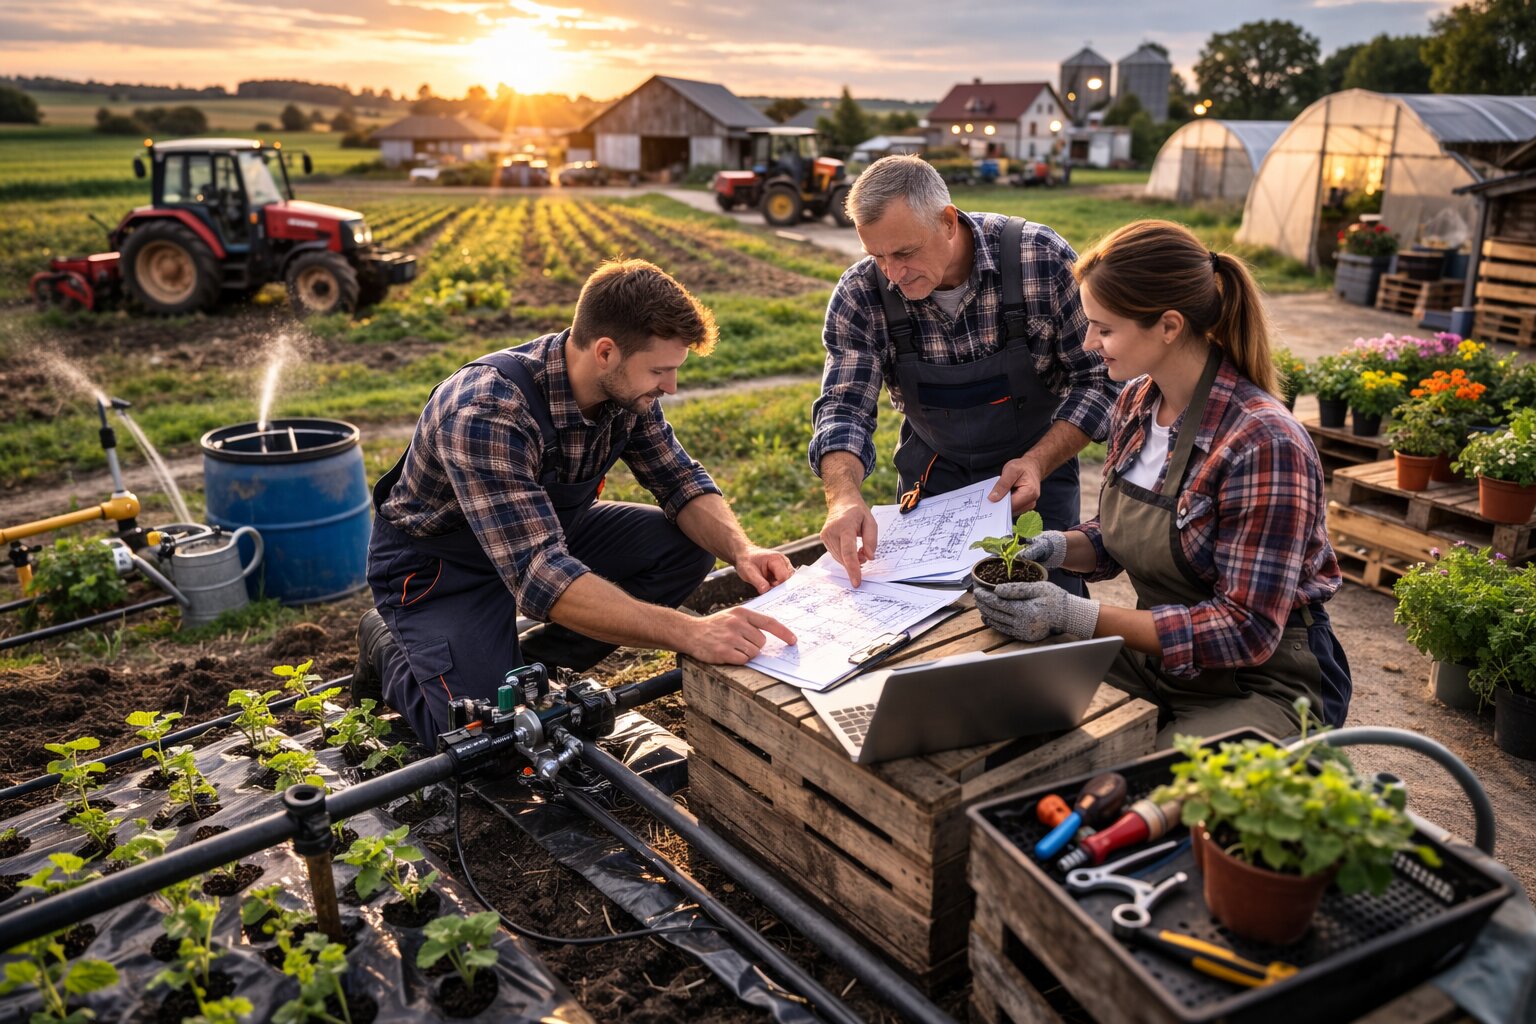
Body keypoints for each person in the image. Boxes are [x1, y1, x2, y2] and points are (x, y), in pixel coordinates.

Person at [354, 259, 796, 745]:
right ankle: (389, 647)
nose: (670, 386)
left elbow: (679, 481)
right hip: (443, 571)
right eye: (660, 370)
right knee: (484, 736)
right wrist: (691, 632)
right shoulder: (485, 411)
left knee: (685, 549)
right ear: (605, 352)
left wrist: (742, 550)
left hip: (542, 535)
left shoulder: (627, 393)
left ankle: (529, 669)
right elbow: (541, 575)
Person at [974, 221, 1352, 744]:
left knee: (1147, 781)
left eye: (1104, 329)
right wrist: (1057, 547)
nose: (1089, 343)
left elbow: (1246, 629)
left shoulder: (1263, 443)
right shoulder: (1137, 401)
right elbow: (1124, 534)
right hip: (1163, 661)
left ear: (1169, 326)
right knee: (1009, 699)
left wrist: (1075, 613)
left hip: (1262, 683)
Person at [812, 155, 1116, 593]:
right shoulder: (861, 293)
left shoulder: (1040, 259)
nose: (893, 274)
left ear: (948, 222)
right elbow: (845, 407)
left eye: (905, 253)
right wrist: (842, 495)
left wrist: (1037, 462)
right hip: (935, 474)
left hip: (1036, 474)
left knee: (1045, 605)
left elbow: (1099, 380)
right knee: (929, 610)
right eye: (877, 256)